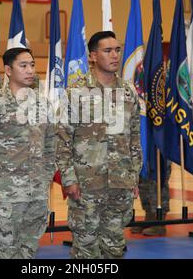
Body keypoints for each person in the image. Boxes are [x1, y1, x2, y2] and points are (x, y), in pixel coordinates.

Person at [56, 31, 142, 259]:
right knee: (86, 250)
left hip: (120, 184)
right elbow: (62, 140)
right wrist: (69, 179)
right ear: (93, 56)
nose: (115, 55)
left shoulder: (129, 92)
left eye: (117, 50)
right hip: (86, 186)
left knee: (114, 248)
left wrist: (134, 176)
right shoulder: (75, 93)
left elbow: (134, 138)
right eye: (107, 51)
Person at [0, 47, 56, 259]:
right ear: (8, 70)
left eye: (32, 65)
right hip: (6, 196)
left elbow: (51, 145)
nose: (29, 70)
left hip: (37, 194)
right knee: (5, 253)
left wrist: (45, 178)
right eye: (23, 65)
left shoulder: (42, 104)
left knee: (27, 252)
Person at [131, 162, 171, 236]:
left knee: (158, 185)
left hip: (160, 155)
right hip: (145, 155)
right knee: (143, 183)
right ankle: (149, 219)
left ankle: (160, 222)